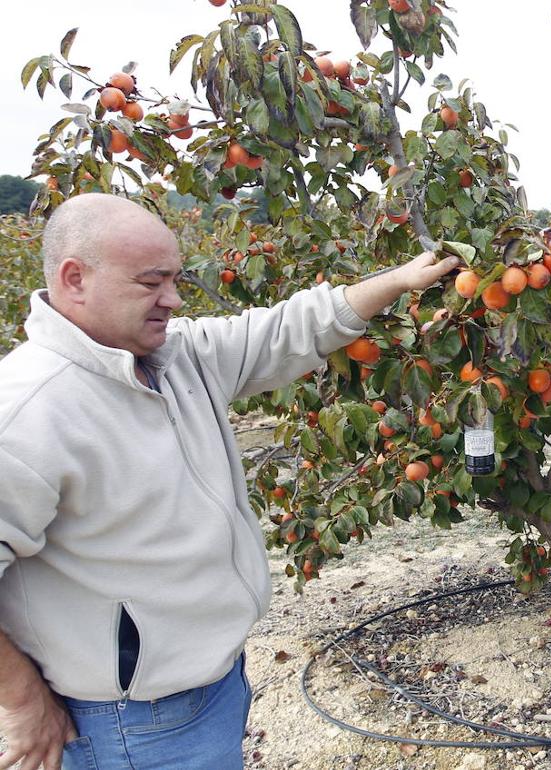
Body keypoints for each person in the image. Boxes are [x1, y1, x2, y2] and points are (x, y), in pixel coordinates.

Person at [0, 193, 458, 770]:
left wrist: (396, 280)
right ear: (75, 279)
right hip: (130, 720)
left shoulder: (175, 353)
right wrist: (20, 702)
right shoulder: (26, 413)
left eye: (174, 279)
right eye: (151, 283)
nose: (173, 299)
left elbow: (289, 329)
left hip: (210, 684)